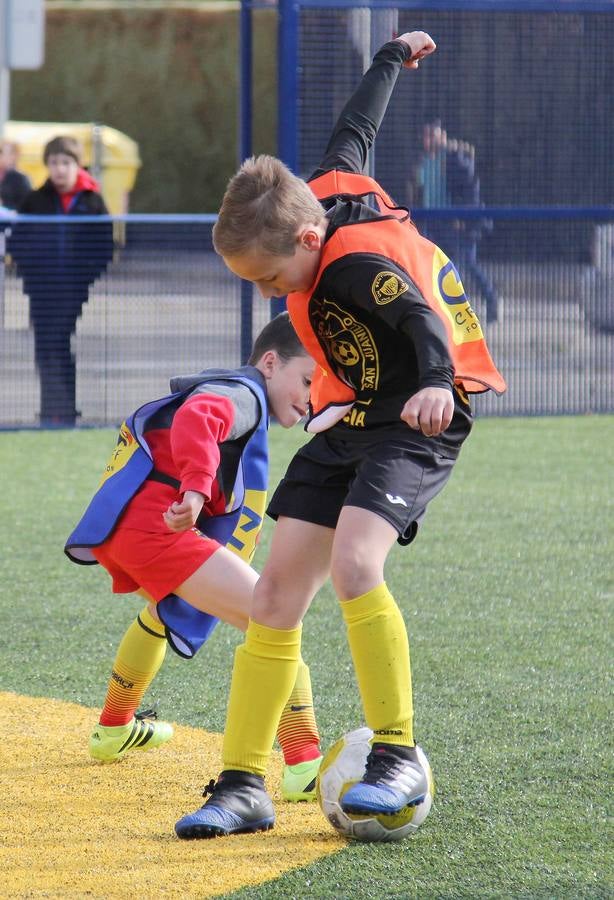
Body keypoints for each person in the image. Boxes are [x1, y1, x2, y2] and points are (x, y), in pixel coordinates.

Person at [173, 30, 506, 840]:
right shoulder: (312, 199)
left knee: (357, 563)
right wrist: (390, 58)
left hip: (422, 411)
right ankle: (246, 783)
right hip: (356, 413)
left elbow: (420, 318)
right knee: (274, 592)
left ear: (308, 241)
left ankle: (394, 756)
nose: (266, 292)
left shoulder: (354, 263)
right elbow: (355, 131)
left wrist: (434, 381)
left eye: (267, 277)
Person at [64, 312, 323, 802]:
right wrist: (198, 490)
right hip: (158, 526)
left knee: (162, 614)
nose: (312, 396)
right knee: (275, 617)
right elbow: (198, 417)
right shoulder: (245, 393)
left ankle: (115, 727)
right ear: (269, 363)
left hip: (129, 529)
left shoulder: (244, 393)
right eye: (308, 379)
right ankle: (304, 762)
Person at [9, 135, 113, 425]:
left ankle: (62, 409)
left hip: (72, 290)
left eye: (65, 162)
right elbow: (18, 242)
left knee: (57, 343)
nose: (59, 169)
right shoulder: (35, 199)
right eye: (54, 163)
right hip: (41, 289)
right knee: (48, 346)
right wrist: (31, 269)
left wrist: (84, 277)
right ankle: (54, 409)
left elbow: (104, 246)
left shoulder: (92, 201)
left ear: (77, 165)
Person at [414, 120, 499, 323]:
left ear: (442, 136)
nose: (429, 140)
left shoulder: (453, 158)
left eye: (433, 135)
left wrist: (462, 216)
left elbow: (469, 189)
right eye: (426, 136)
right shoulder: (424, 161)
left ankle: (491, 301)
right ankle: (440, 311)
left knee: (466, 263)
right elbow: (420, 190)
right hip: (431, 221)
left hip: (455, 221)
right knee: (434, 265)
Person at [0, 139, 31, 211]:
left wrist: (3, 205)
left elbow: (25, 206)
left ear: (14, 156)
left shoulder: (21, 179)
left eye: (1, 152)